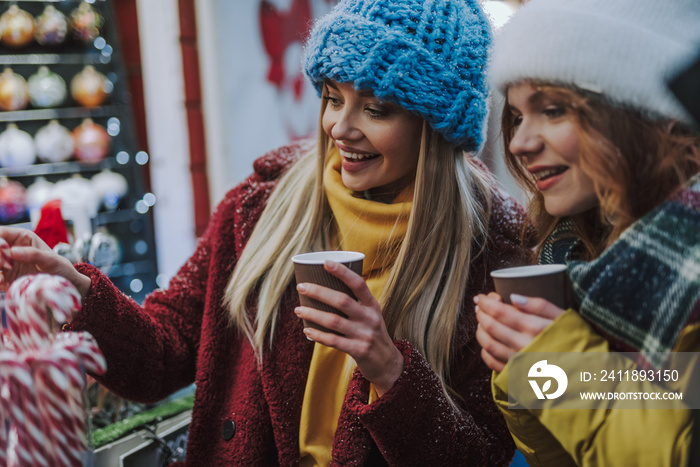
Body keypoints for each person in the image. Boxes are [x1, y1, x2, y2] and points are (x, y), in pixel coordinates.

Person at [0, 0, 530, 465]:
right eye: (331, 96)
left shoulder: (494, 254)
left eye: (375, 108)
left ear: (436, 126)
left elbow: (481, 453)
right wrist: (77, 289)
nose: (340, 128)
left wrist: (390, 369)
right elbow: (161, 357)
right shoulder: (258, 208)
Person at [473, 0, 700, 465]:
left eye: (553, 110)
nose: (519, 142)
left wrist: (558, 362)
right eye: (516, 116)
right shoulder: (571, 252)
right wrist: (522, 366)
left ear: (641, 116)